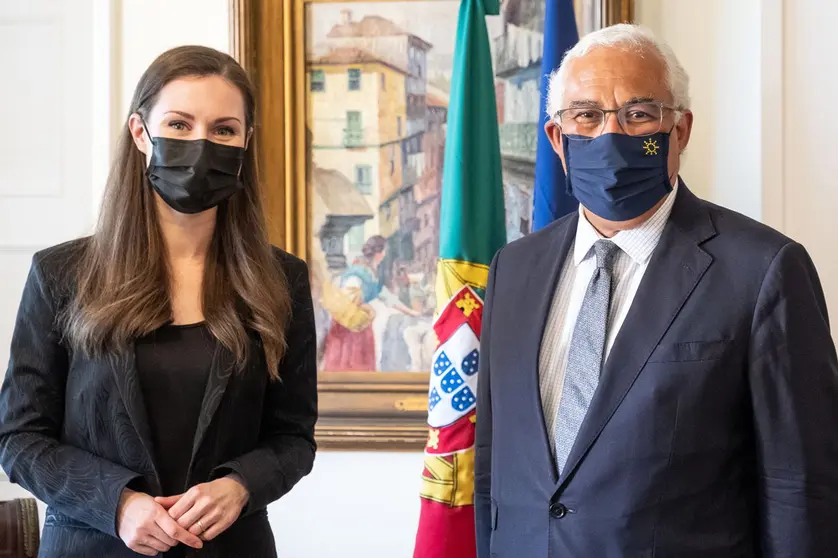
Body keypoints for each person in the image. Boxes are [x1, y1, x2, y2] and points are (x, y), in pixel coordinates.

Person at [474, 24, 838, 557]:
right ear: (558, 137)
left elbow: (800, 488)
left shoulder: (762, 270)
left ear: (680, 130)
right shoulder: (514, 268)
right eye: (587, 116)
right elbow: (493, 468)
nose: (611, 135)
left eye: (638, 115)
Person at [0, 45, 317, 557]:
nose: (201, 143)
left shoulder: (281, 279)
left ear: (245, 142)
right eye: (178, 124)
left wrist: (239, 485)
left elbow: (293, 438)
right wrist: (117, 503)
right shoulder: (60, 275)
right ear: (140, 133)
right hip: (90, 545)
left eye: (223, 130)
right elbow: (19, 438)